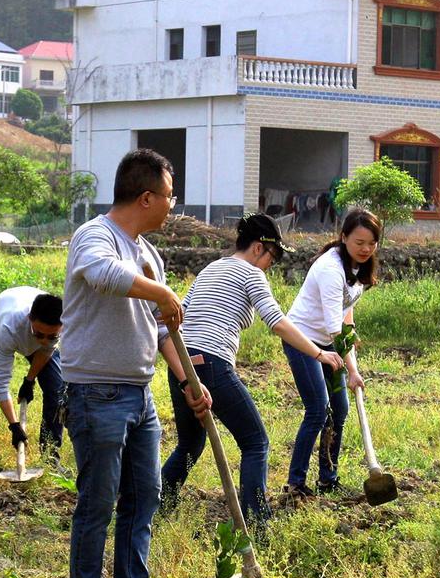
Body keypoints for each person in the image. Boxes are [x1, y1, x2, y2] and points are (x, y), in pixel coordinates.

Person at [61, 149, 210, 578]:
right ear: (146, 197)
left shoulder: (149, 253)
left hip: (139, 394)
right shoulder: (95, 236)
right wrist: (162, 293)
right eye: (170, 195)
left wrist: (188, 382)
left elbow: (161, 330)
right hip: (95, 393)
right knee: (98, 501)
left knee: (144, 497)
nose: (173, 204)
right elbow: (103, 275)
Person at [160, 214, 343, 528]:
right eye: (273, 257)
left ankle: (156, 506)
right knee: (255, 442)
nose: (270, 265)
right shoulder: (251, 273)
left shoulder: (211, 269)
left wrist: (183, 370)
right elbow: (278, 321)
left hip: (182, 364)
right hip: (213, 364)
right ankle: (258, 524)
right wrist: (318, 352)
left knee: (189, 444)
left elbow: (180, 316)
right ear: (259, 247)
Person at [280, 209, 378, 497]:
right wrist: (352, 371)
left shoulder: (358, 267)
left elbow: (346, 315)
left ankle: (328, 479)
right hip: (302, 340)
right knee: (318, 410)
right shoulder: (330, 270)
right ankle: (296, 484)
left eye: (371, 243)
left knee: (340, 409)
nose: (365, 249)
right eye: (359, 242)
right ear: (344, 237)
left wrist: (352, 356)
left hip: (329, 343)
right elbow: (337, 331)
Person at [0, 286, 65, 475]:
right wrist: (14, 426)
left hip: (25, 325)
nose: (44, 340)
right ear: (30, 319)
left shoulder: (61, 324)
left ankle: (50, 456)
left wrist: (29, 380)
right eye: (39, 334)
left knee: (57, 387)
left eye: (52, 336)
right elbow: (0, 383)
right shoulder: (10, 328)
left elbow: (46, 350)